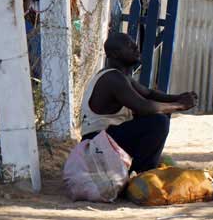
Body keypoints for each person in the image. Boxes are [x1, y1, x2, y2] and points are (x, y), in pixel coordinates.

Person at [79, 32, 197, 174]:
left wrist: (178, 97)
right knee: (158, 121)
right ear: (115, 54)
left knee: (158, 117)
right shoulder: (113, 78)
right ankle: (141, 174)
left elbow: (149, 94)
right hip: (97, 145)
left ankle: (135, 171)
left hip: (104, 142)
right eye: (129, 45)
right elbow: (143, 106)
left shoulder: (122, 77)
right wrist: (180, 105)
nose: (136, 47)